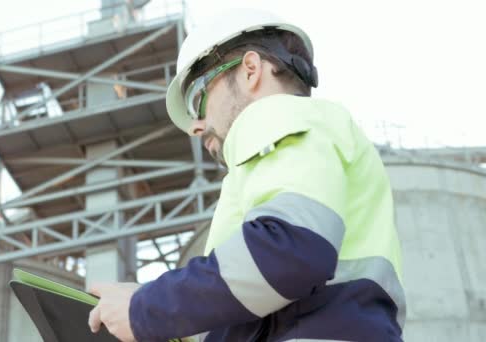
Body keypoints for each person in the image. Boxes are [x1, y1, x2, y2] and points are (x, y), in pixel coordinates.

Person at [88, 8, 406, 342]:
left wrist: (145, 308)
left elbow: (289, 250)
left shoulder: (277, 113)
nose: (196, 127)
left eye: (198, 100)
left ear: (251, 71)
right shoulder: (314, 142)